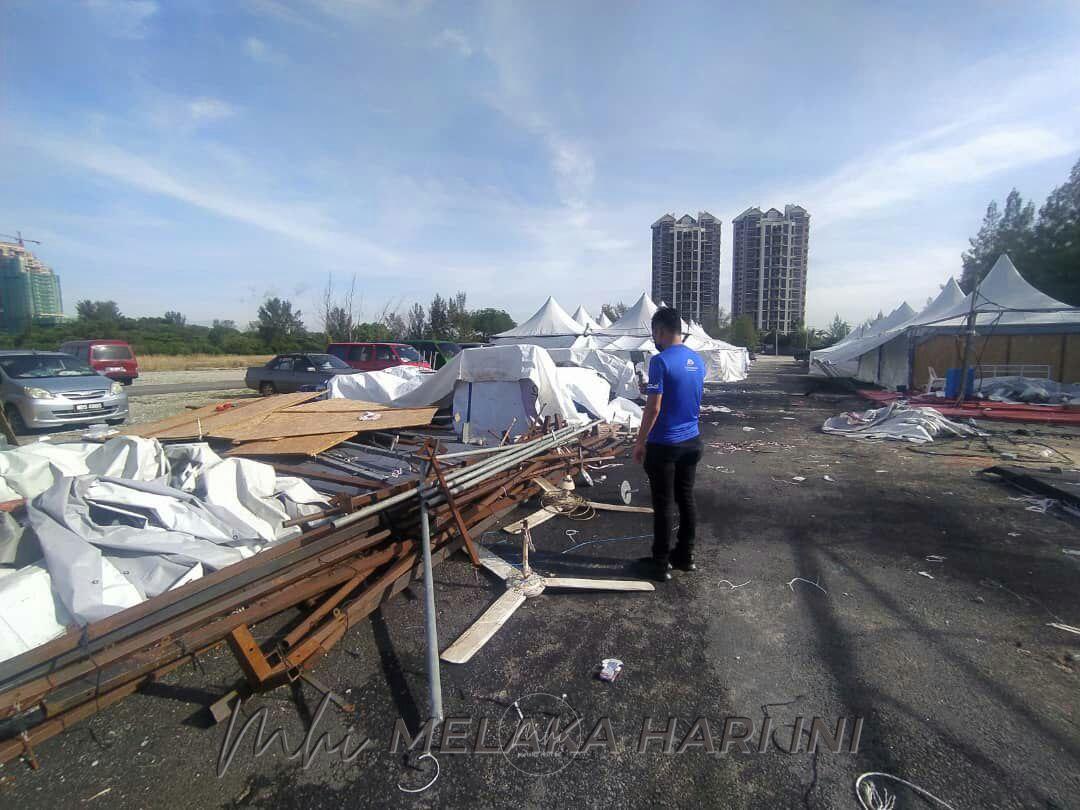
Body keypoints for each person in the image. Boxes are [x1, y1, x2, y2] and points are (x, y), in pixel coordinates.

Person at [632, 307, 705, 582]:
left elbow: (653, 408)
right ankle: (685, 557)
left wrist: (640, 442)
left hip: (665, 444)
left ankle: (660, 563)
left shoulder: (660, 362)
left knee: (663, 504)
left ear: (660, 330)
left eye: (654, 332)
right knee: (686, 499)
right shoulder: (697, 361)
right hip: (692, 441)